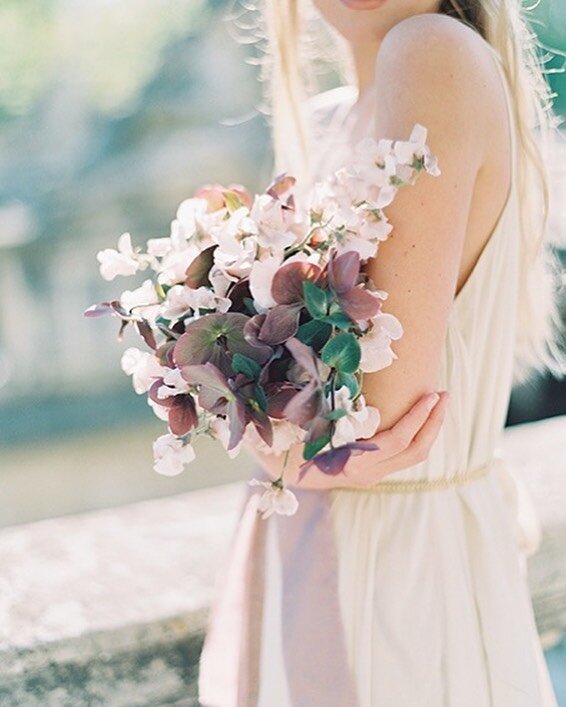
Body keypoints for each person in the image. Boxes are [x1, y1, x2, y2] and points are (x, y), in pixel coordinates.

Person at [198, 1, 563, 705]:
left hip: (396, 578)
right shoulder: (336, 115)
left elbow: (370, 422)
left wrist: (256, 434)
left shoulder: (432, 53)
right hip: (326, 555)